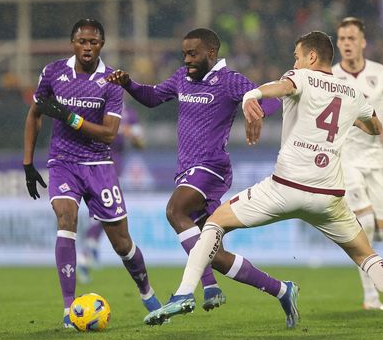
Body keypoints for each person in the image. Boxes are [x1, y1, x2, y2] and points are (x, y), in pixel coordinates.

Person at [143, 31, 383, 332]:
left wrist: (253, 96)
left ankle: (185, 292)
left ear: (311, 57)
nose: (294, 60)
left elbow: (280, 87)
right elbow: (374, 126)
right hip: (328, 197)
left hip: (285, 188)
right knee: (366, 255)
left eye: (297, 55)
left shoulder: (301, 76)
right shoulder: (351, 93)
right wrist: (355, 121)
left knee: (214, 223)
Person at [106, 28, 282, 312]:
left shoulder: (229, 81)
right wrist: (129, 83)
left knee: (175, 211)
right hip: (187, 170)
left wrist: (254, 106)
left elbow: (271, 101)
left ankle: (192, 291)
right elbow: (151, 97)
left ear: (211, 53)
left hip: (211, 167)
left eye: (193, 53)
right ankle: (282, 290)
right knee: (214, 254)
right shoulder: (181, 78)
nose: (186, 59)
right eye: (184, 53)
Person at [22, 19, 161, 329]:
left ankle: (147, 293)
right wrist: (28, 162)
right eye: (82, 41)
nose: (87, 47)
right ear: (73, 43)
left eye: (93, 42)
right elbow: (35, 114)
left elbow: (110, 134)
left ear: (102, 45)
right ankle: (69, 309)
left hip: (99, 166)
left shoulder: (111, 81)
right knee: (66, 219)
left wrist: (70, 118)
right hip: (63, 162)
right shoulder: (53, 72)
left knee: (122, 243)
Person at [332, 17, 383, 311]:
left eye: (352, 38)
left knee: (380, 229)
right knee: (363, 222)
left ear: (363, 42)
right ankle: (370, 297)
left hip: (375, 160)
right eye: (342, 39)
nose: (347, 44)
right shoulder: (329, 77)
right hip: (346, 158)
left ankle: (372, 282)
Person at [78, 104, 145, 284]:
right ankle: (88, 252)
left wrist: (131, 134)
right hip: (96, 162)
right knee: (107, 211)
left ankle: (89, 251)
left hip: (116, 166)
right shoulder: (98, 105)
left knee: (106, 212)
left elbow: (140, 144)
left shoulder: (130, 113)